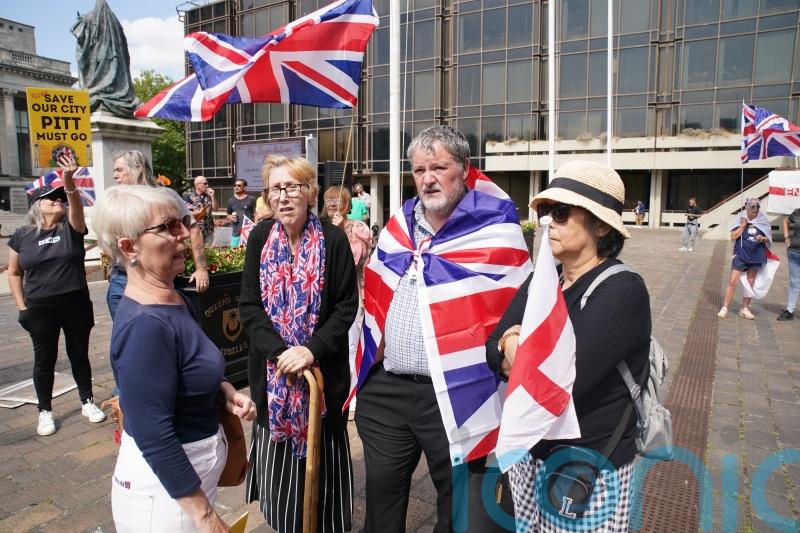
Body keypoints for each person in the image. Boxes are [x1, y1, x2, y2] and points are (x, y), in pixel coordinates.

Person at [355, 125, 528, 533]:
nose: (428, 178)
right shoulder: (399, 225)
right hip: (387, 391)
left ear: (464, 170)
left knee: (457, 508)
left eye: (439, 167)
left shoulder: (496, 228)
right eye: (419, 170)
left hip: (456, 393)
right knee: (380, 502)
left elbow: (518, 306)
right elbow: (375, 296)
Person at [487, 160, 650, 533]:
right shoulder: (545, 280)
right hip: (533, 452)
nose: (547, 223)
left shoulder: (622, 290)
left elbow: (562, 382)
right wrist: (514, 345)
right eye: (545, 212)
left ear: (601, 224)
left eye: (560, 213)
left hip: (586, 464)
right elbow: (490, 345)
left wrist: (512, 346)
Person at [92, 185, 256, 532]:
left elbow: (188, 368)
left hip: (190, 487)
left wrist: (225, 391)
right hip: (165, 499)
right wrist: (207, 517)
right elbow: (153, 432)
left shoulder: (176, 298)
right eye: (168, 227)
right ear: (129, 246)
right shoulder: (146, 326)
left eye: (182, 221)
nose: (185, 232)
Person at [239, 155, 358, 533]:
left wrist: (311, 349)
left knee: (322, 488)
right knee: (281, 490)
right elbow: (249, 306)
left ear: (310, 193)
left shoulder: (334, 240)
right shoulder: (260, 237)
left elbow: (345, 307)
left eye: (293, 187)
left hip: (321, 380)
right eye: (276, 188)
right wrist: (280, 352)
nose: (284, 196)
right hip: (273, 383)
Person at [7, 153, 106, 436]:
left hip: (75, 303)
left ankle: (87, 401)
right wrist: (21, 307)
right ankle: (45, 411)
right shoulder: (22, 235)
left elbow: (75, 206)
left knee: (79, 354)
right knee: (45, 359)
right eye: (52, 197)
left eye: (61, 197)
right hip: (40, 307)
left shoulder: (72, 229)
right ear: (37, 205)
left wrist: (68, 182)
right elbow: (14, 273)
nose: (59, 200)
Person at [107, 151, 210, 320]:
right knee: (130, 338)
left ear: (137, 168)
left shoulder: (166, 196)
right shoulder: (117, 200)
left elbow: (193, 229)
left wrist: (201, 270)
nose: (114, 175)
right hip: (122, 279)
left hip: (161, 280)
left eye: (119, 170)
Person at [718, 198, 772, 320]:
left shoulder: (763, 221)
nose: (755, 210)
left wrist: (763, 239)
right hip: (741, 254)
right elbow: (732, 236)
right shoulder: (740, 219)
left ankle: (745, 308)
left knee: (750, 282)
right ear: (747, 208)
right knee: (732, 282)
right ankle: (725, 308)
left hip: (756, 254)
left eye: (757, 208)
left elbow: (769, 238)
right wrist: (742, 226)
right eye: (753, 208)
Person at [777, 207, 800, 321]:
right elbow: (785, 221)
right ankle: (790, 310)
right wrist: (786, 237)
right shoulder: (797, 212)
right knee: (794, 282)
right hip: (794, 252)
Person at [183, 176, 217, 244]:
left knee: (209, 252)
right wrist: (198, 212)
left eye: (207, 183)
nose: (207, 185)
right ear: (197, 185)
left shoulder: (209, 195)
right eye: (205, 183)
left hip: (209, 230)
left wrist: (212, 196)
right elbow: (185, 213)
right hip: (195, 230)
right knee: (196, 251)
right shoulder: (188, 196)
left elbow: (216, 209)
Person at [227, 178, 257, 247]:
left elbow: (256, 214)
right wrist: (230, 217)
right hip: (236, 233)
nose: (236, 187)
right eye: (235, 185)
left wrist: (255, 228)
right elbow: (228, 214)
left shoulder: (251, 199)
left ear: (245, 187)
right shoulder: (231, 200)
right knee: (233, 255)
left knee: (247, 255)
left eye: (239, 185)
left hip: (248, 233)